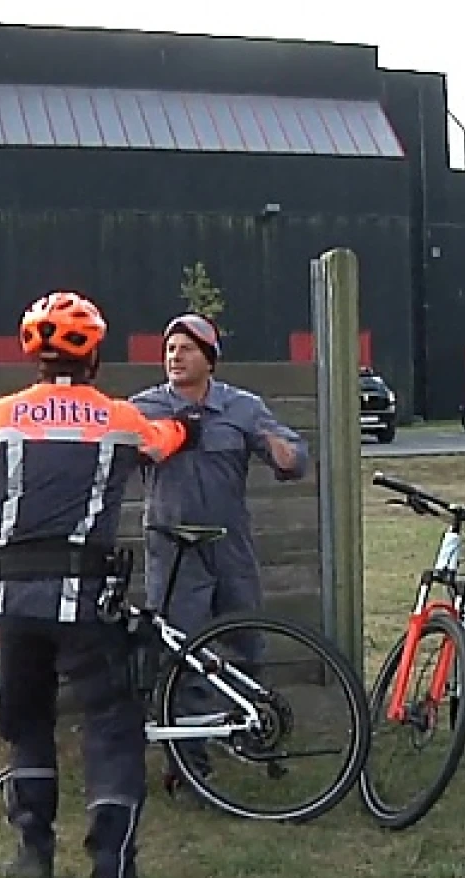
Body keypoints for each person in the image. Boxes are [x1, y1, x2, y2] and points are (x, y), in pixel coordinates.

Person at [0, 289, 202, 878]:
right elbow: (168, 439)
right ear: (95, 358)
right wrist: (187, 425)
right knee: (111, 725)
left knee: (26, 717)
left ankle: (34, 850)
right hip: (86, 602)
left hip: (11, 604)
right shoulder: (118, 421)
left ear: (31, 355)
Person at [129, 312, 311, 799]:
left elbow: (294, 457)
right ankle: (189, 767)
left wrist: (279, 448)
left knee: (247, 641)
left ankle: (254, 735)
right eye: (169, 349)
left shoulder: (242, 407)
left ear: (208, 357)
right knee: (181, 650)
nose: (174, 356)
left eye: (185, 348)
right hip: (171, 547)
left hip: (229, 544)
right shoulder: (143, 408)